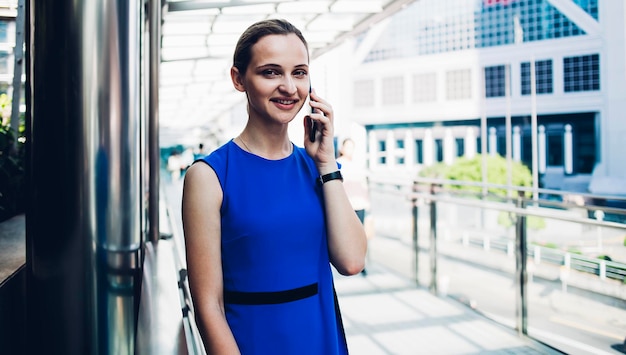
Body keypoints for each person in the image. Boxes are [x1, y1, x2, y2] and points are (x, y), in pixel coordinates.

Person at [182, 19, 367, 355]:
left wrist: (326, 164)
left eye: (299, 72)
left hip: (320, 339)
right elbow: (208, 306)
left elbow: (352, 261)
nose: (289, 87)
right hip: (254, 342)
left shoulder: (317, 167)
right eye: (270, 72)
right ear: (239, 79)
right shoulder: (209, 176)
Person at [336, 138, 370, 276]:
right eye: (348, 147)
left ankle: (361, 263)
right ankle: (346, 260)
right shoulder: (338, 164)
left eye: (352, 147)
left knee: (360, 234)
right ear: (342, 148)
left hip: (359, 203)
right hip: (347, 205)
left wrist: (368, 205)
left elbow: (364, 186)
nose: (350, 150)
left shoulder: (357, 165)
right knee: (345, 234)